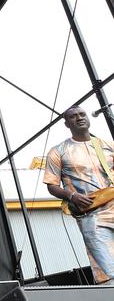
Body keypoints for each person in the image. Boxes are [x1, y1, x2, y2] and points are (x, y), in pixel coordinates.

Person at [44, 105, 114, 285]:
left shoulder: (107, 145)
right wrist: (71, 196)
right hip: (92, 216)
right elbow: (52, 185)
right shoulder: (58, 151)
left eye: (82, 114)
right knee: (109, 269)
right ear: (66, 123)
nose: (79, 118)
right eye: (73, 116)